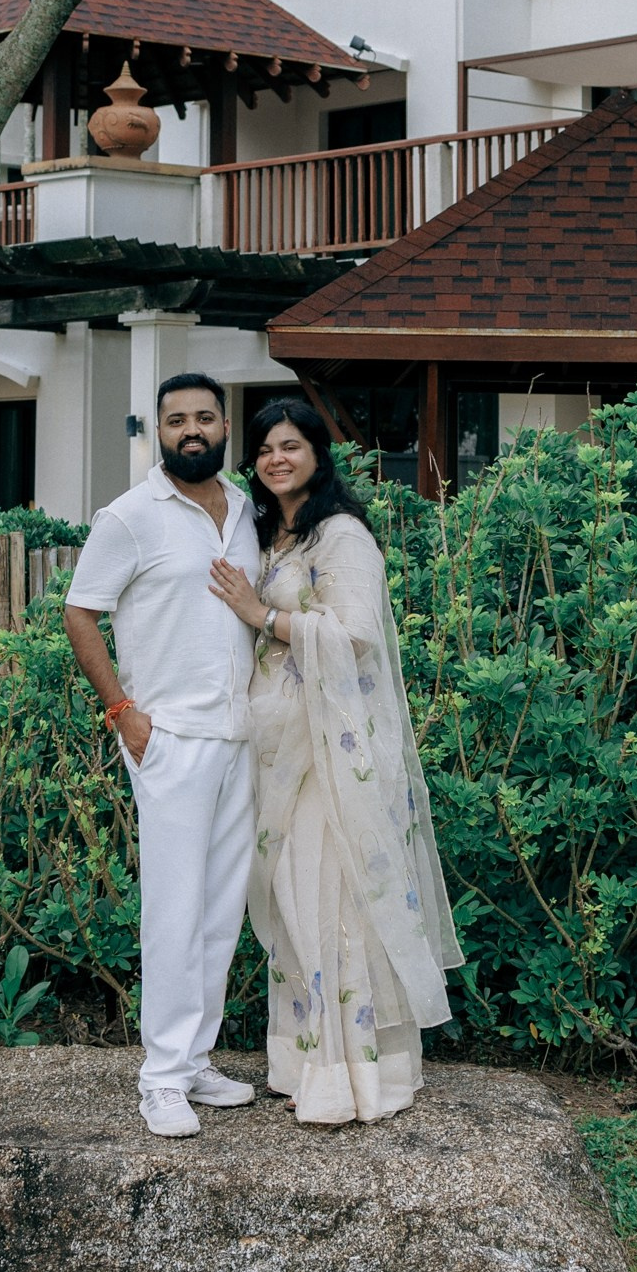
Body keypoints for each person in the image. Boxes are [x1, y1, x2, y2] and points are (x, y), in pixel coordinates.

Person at [209, 397, 461, 1125]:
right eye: (263, 449)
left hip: (332, 752)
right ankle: (303, 1060)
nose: (276, 459)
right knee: (294, 898)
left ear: (319, 454)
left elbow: (353, 637)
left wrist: (263, 618)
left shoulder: (340, 535)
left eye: (290, 446)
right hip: (278, 749)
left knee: (335, 896)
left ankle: (357, 1077)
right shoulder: (268, 536)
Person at [63, 373, 263, 1138]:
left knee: (219, 910)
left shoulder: (245, 510)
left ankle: (195, 1061)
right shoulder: (130, 516)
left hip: (241, 735)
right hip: (170, 738)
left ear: (223, 426)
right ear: (158, 431)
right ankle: (160, 1080)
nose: (191, 430)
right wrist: (122, 711)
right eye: (175, 419)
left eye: (204, 417)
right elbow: (81, 611)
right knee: (174, 911)